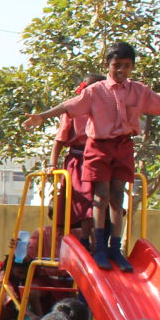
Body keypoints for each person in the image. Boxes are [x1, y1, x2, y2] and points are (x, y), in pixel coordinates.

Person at [24, 41, 160, 272]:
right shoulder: (95, 91)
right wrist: (43, 116)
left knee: (118, 197)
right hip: (99, 146)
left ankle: (114, 248)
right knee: (101, 196)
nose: (121, 71)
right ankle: (97, 248)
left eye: (126, 66)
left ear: (132, 67)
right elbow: (68, 105)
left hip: (124, 146)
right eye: (116, 65)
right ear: (108, 65)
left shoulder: (139, 91)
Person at [51, 73, 107, 246]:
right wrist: (52, 164)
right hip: (79, 160)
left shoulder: (107, 109)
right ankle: (85, 240)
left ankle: (100, 242)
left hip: (101, 158)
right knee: (85, 200)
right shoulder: (73, 109)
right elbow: (60, 138)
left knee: (105, 199)